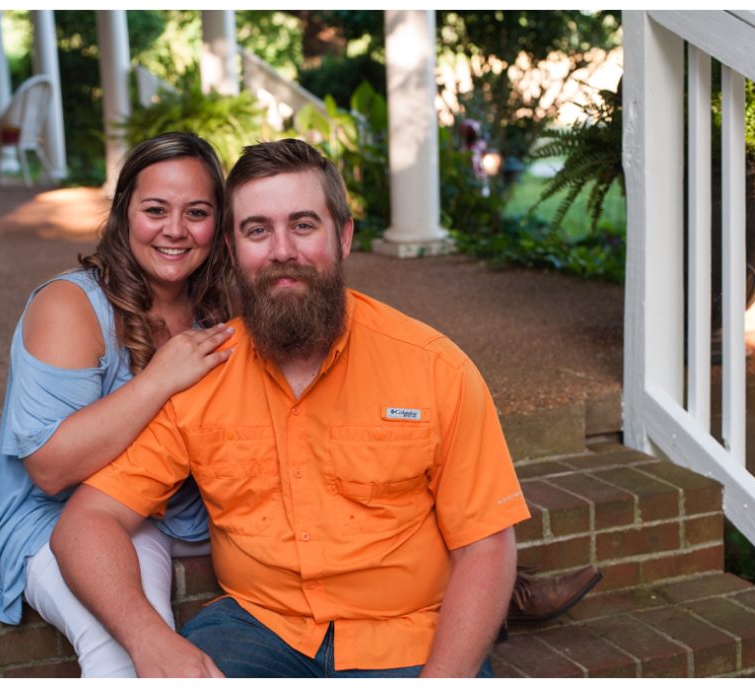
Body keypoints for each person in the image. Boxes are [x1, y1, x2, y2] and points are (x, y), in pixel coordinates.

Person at [51, 138, 537, 678]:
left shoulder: (435, 369)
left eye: (303, 225)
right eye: (258, 230)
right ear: (233, 250)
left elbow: (487, 546)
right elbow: (84, 524)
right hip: (257, 628)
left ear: (344, 237)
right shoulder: (202, 375)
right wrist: (148, 639)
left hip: (406, 638)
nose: (282, 250)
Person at [0, 132, 237, 677]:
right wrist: (159, 379)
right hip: (54, 518)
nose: (175, 230)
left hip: (162, 513)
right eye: (155, 210)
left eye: (196, 212)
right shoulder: (71, 305)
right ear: (124, 213)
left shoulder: (220, 306)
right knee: (124, 651)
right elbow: (52, 470)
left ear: (218, 225)